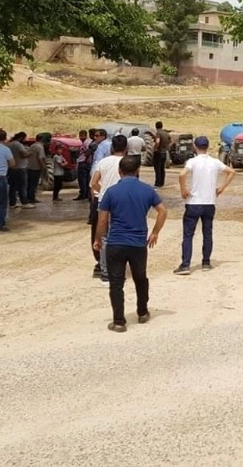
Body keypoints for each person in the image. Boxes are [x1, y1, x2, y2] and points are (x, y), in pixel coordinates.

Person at [94, 156, 167, 333]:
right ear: (138, 171)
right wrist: (155, 232)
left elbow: (103, 220)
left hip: (116, 243)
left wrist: (98, 239)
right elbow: (163, 211)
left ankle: (119, 321)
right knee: (140, 278)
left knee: (116, 282)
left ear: (119, 172)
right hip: (138, 243)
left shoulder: (111, 192)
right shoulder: (147, 190)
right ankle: (142, 312)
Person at [174, 135, 235, 275]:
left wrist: (183, 189)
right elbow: (232, 172)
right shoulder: (215, 162)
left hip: (194, 202)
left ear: (195, 147)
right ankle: (206, 262)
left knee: (188, 234)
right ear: (207, 147)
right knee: (207, 233)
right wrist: (221, 188)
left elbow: (182, 174)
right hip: (209, 202)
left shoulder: (192, 161)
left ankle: (185, 265)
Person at [91, 135, 129, 286]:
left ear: (112, 147)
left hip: (104, 204)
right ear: (126, 148)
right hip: (122, 205)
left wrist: (104, 193)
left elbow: (94, 183)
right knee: (119, 236)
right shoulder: (128, 163)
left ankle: (105, 273)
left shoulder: (103, 162)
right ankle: (118, 272)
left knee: (104, 238)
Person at [87, 129, 112, 276]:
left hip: (101, 196)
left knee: (100, 229)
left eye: (96, 136)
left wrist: (97, 191)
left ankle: (100, 263)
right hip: (116, 197)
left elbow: (94, 177)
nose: (94, 138)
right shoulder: (125, 162)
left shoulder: (102, 151)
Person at [6, 132, 32, 209]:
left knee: (12, 187)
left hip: (11, 168)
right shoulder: (18, 145)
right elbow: (23, 154)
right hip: (20, 168)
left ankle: (12, 203)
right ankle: (24, 202)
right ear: (21, 138)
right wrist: (30, 153)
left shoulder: (9, 144)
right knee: (22, 186)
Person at [25, 134, 47, 204]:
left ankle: (28, 197)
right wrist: (43, 167)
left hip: (29, 167)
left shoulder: (32, 146)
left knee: (29, 183)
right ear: (42, 140)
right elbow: (40, 158)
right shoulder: (40, 147)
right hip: (36, 168)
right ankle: (32, 198)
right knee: (34, 184)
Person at [75, 129, 92, 200]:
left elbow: (89, 151)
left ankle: (82, 194)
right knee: (87, 180)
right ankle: (86, 194)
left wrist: (87, 158)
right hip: (85, 162)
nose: (80, 137)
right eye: (80, 136)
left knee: (82, 180)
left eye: (82, 136)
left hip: (83, 162)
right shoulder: (86, 142)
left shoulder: (86, 143)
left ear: (86, 135)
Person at [153, 121, 171, 187]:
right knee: (162, 168)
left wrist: (155, 148)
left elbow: (157, 141)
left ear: (156, 126)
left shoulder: (158, 133)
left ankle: (157, 183)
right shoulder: (166, 133)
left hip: (159, 152)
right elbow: (171, 141)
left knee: (157, 168)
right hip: (164, 152)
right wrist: (167, 147)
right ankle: (162, 182)